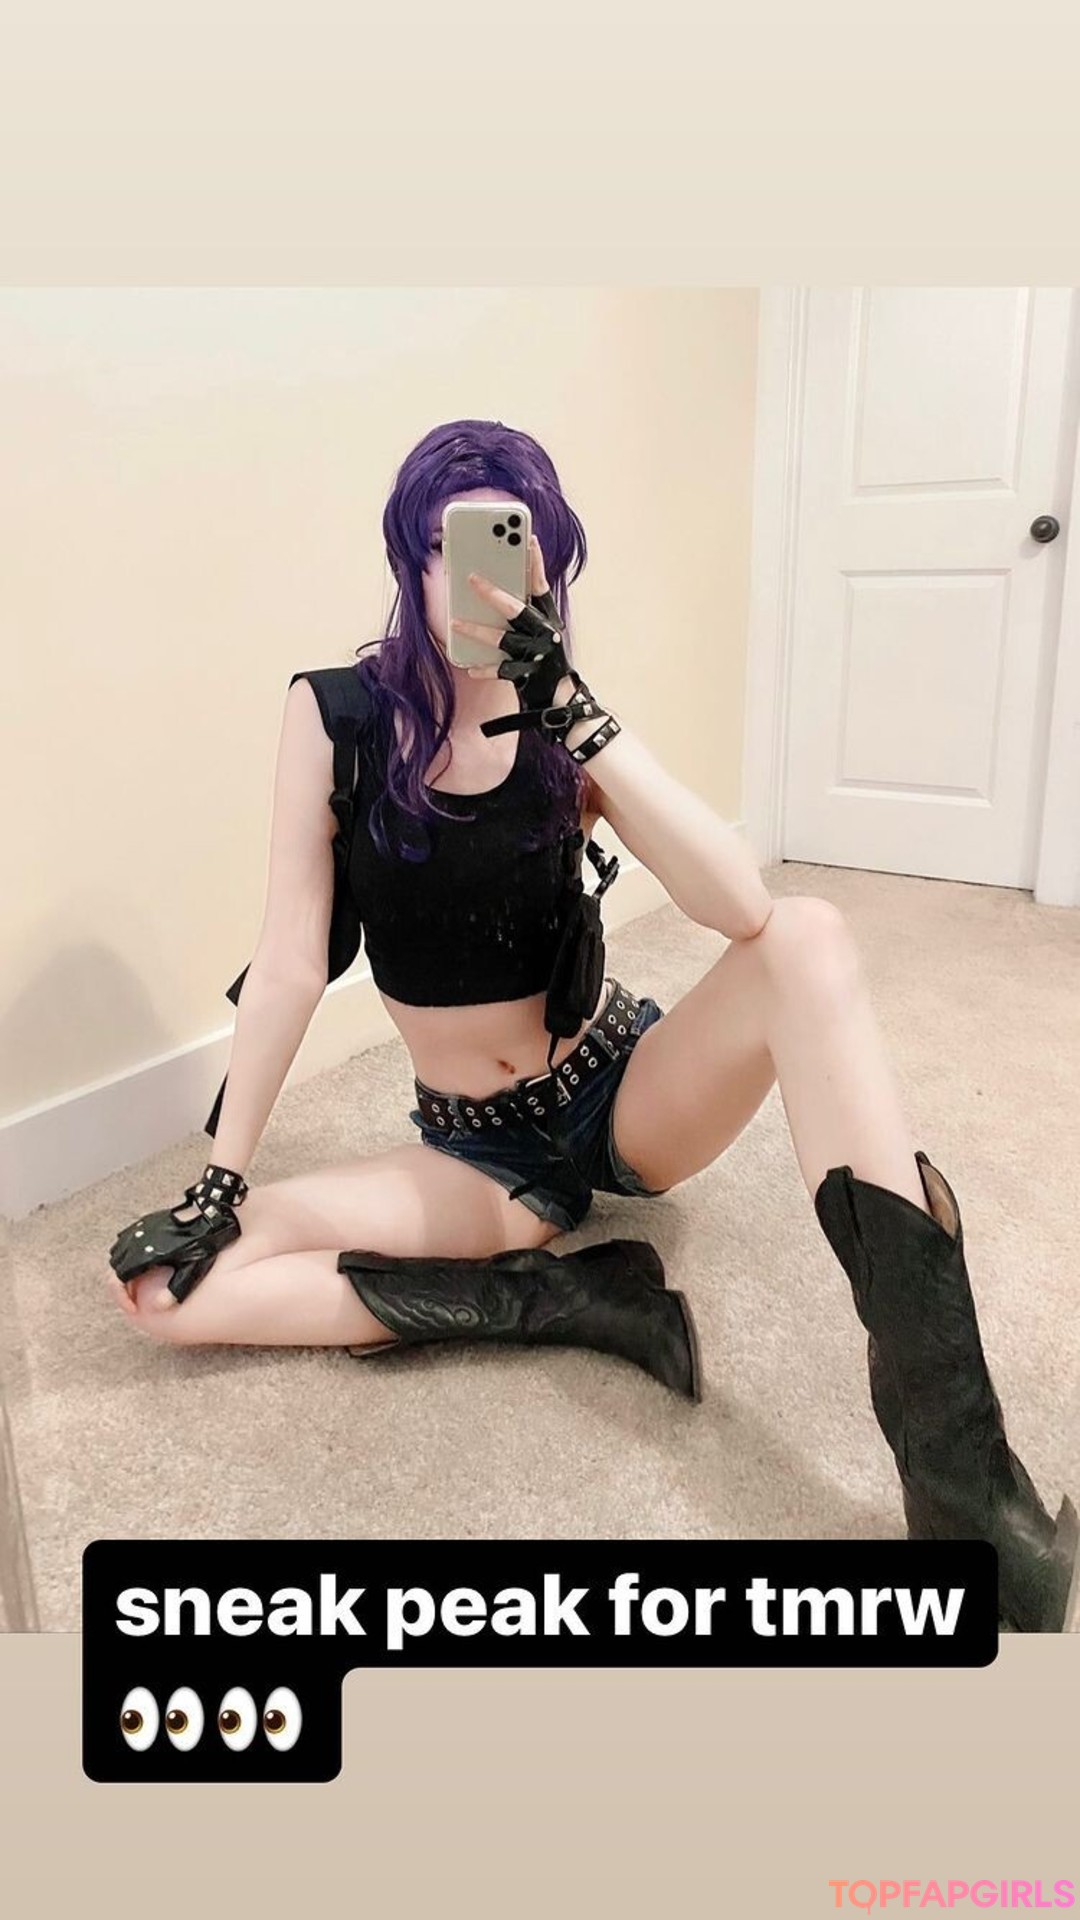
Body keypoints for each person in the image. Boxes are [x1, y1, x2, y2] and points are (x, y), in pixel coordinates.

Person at [106, 418, 1078, 1632]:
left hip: (622, 1095)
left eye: (511, 553)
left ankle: (972, 1501)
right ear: (409, 559)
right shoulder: (336, 716)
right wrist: (221, 1175)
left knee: (811, 937)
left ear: (546, 567)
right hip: (480, 1157)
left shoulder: (562, 722)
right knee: (168, 1292)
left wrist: (577, 714)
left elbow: (744, 909)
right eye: (447, 549)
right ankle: (571, 1298)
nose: (475, 581)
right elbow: (294, 962)